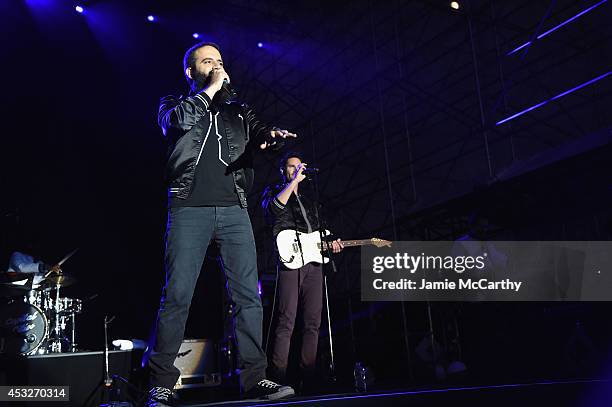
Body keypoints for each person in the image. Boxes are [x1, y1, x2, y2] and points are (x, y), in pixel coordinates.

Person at [145, 42, 297, 407]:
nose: (217, 66)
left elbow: (259, 134)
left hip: (233, 209)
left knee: (248, 296)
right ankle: (161, 383)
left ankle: (255, 378)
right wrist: (210, 89)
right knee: (177, 296)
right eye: (207, 61)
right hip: (188, 208)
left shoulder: (237, 110)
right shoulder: (173, 103)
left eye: (220, 61)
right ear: (191, 71)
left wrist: (271, 139)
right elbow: (176, 123)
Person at [261, 152, 343, 393]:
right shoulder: (274, 192)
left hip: (314, 265)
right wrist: (293, 182)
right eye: (291, 167)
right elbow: (274, 209)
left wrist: (331, 244)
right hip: (290, 262)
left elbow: (316, 234)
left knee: (313, 322)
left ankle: (309, 376)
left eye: (299, 167)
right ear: (283, 171)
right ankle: (277, 378)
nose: (296, 170)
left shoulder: (309, 201)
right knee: (286, 320)